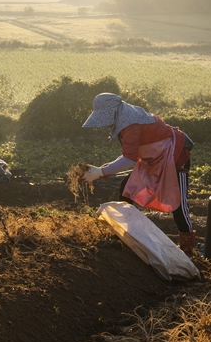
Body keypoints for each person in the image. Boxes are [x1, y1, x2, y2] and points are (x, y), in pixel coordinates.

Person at [81, 93, 195, 256]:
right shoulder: (124, 117)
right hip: (154, 158)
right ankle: (126, 233)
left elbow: (129, 160)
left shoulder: (130, 122)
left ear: (112, 112)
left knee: (179, 204)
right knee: (127, 187)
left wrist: (99, 172)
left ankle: (187, 251)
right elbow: (129, 155)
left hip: (175, 156)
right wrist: (100, 170)